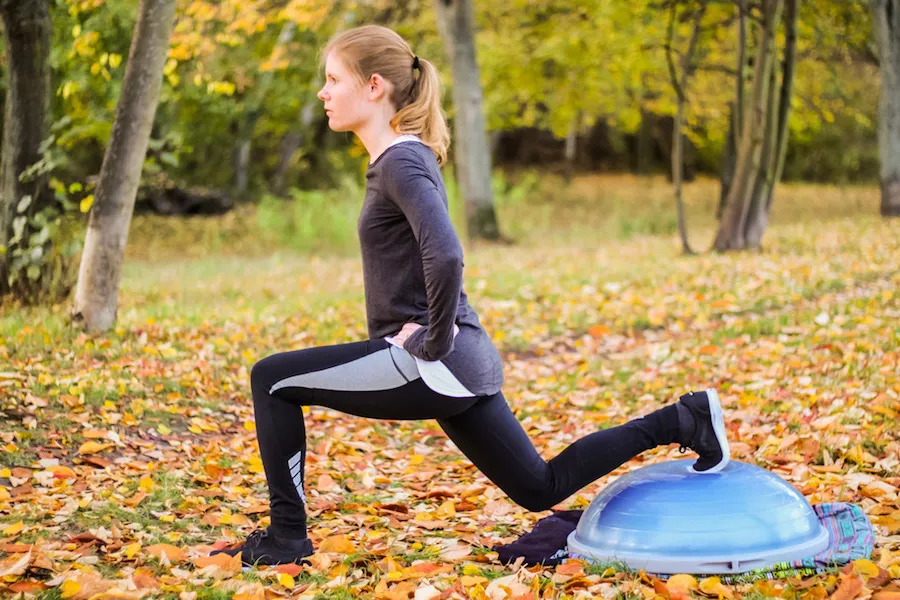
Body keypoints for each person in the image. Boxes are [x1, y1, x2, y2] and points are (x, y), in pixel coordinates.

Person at [210, 25, 730, 566]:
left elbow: (448, 254)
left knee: (272, 378)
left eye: (332, 79)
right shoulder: (399, 160)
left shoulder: (401, 162)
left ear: (373, 87)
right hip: (462, 361)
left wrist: (432, 340)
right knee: (539, 487)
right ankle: (681, 420)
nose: (323, 92)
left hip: (435, 360)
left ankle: (287, 538)